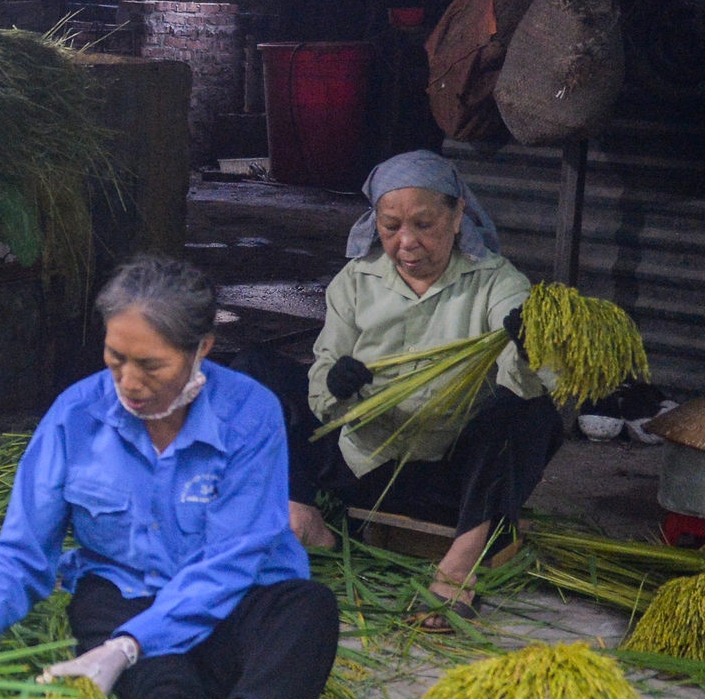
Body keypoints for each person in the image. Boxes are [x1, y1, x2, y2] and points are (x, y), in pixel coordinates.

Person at [0, 257, 338, 699]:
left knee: (308, 609)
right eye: (115, 358)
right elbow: (25, 545)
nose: (129, 382)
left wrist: (130, 644)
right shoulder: (76, 415)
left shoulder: (250, 413)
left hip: (232, 601)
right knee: (149, 675)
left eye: (151, 364)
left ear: (203, 348)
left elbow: (231, 562)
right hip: (124, 592)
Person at [232, 150, 558, 631]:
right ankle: (301, 515)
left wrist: (527, 344)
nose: (407, 243)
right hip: (359, 464)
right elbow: (323, 384)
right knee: (253, 369)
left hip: (449, 478)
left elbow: (524, 381)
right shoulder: (356, 281)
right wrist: (335, 386)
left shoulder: (498, 283)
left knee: (533, 411)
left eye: (425, 224)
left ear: (458, 214)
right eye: (390, 227)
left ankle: (462, 561)